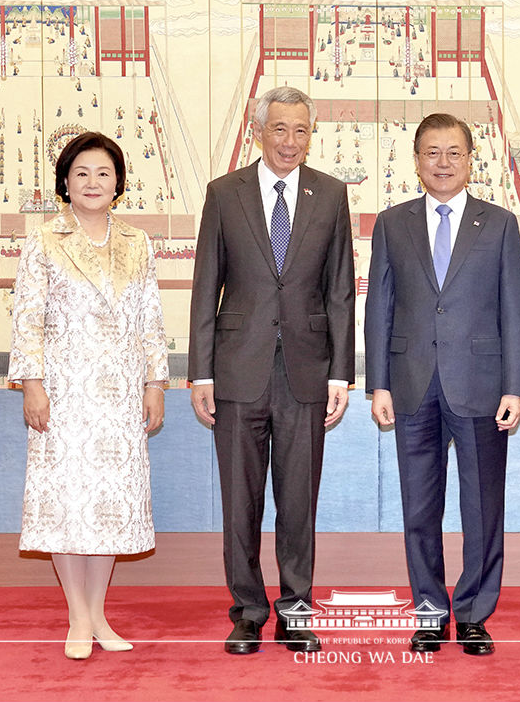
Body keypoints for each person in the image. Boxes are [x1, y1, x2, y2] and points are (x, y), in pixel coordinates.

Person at [189, 86, 354, 655]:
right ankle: (247, 609)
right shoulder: (223, 193)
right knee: (240, 500)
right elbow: (206, 285)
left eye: (301, 130)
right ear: (258, 130)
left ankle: (296, 609)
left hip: (307, 373)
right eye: (280, 129)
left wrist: (340, 374)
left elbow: (339, 291)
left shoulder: (331, 195)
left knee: (298, 499)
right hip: (236, 371)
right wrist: (200, 373)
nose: (291, 141)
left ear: (313, 133)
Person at [364, 113, 520, 656]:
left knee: (483, 506)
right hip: (412, 385)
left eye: (453, 152)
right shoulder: (392, 223)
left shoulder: (500, 223)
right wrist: (379, 384)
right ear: (416, 161)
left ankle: (476, 612)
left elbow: (515, 310)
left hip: (482, 385)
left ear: (469, 159)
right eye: (432, 153)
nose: (442, 163)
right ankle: (430, 612)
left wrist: (515, 386)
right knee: (420, 507)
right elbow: (379, 308)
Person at [9, 131, 170, 660]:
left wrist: (155, 385)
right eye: (81, 173)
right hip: (62, 394)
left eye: (103, 173)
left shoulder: (137, 242)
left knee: (108, 508)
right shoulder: (45, 240)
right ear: (65, 184)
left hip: (121, 396)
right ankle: (78, 617)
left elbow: (151, 319)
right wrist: (32, 384)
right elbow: (27, 317)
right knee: (64, 506)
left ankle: (97, 613)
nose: (93, 182)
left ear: (119, 182)